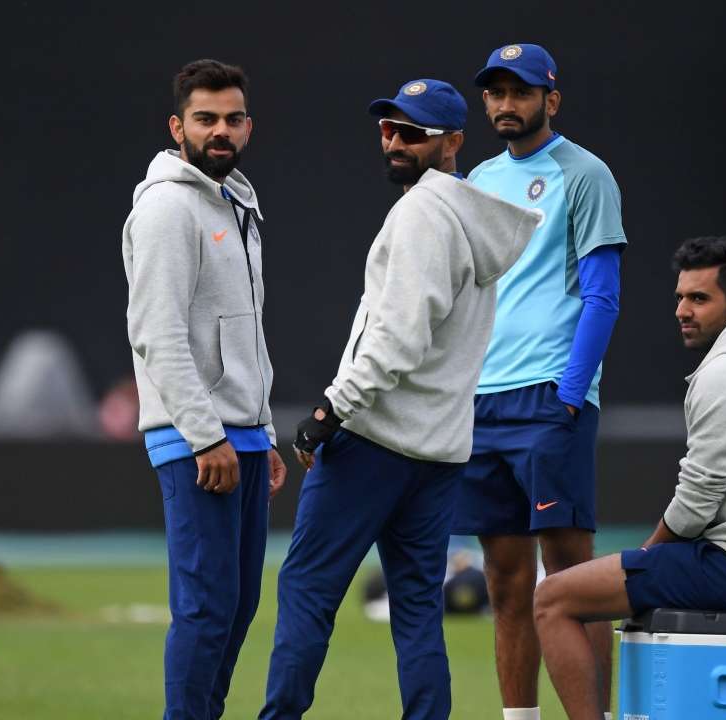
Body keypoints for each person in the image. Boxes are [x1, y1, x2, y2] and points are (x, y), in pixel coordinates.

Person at [260, 79, 539, 720]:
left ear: (452, 142)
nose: (393, 141)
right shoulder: (469, 216)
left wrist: (331, 411)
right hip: (437, 453)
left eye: (412, 132)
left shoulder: (421, 213)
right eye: (388, 128)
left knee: (307, 590)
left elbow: (396, 337)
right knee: (417, 612)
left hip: (374, 441)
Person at [533, 236, 726, 720]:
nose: (682, 310)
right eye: (680, 296)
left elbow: (696, 503)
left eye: (699, 299)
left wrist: (648, 554)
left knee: (553, 597)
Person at [452, 43, 626, 720]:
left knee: (574, 578)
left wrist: (570, 396)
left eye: (519, 92)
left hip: (550, 397)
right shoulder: (478, 181)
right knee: (503, 580)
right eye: (495, 93)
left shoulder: (585, 174)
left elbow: (603, 296)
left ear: (551, 98)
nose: (505, 104)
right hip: (482, 403)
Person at [122, 58, 287, 720]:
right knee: (206, 605)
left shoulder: (236, 200)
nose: (221, 130)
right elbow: (156, 332)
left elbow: (245, 334)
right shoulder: (166, 207)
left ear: (248, 125)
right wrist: (205, 434)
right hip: (198, 438)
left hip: (239, 433)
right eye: (206, 118)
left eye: (232, 118)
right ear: (177, 126)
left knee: (238, 605)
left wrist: (264, 431)